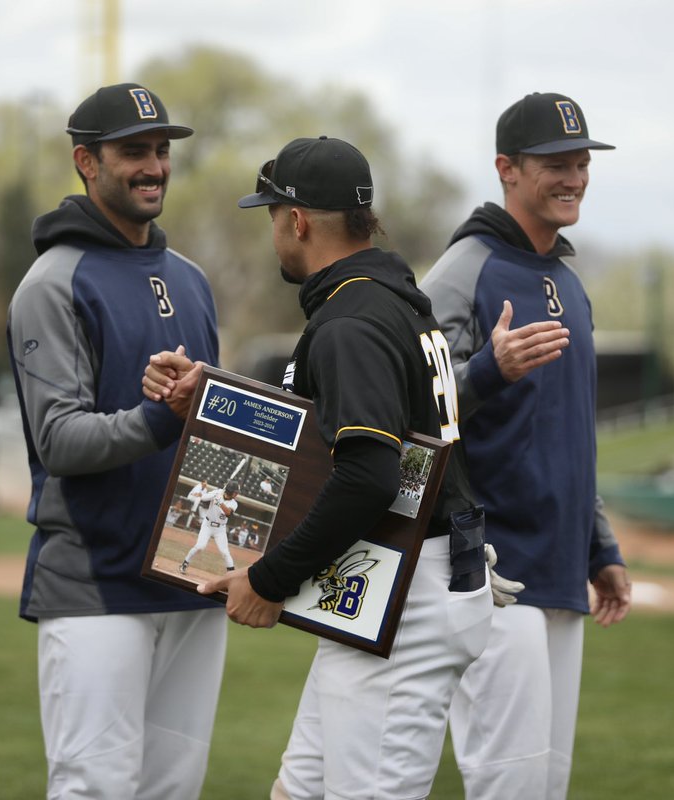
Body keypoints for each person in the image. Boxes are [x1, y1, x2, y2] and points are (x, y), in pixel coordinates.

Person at [184, 134, 493, 800]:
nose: (274, 234)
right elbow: (326, 443)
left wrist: (268, 579)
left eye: (271, 217)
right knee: (299, 790)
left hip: (405, 595)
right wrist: (204, 402)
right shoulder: (389, 299)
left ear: (297, 220)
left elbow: (368, 476)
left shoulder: (352, 318)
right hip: (404, 577)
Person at [6, 83, 223, 800]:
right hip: (95, 586)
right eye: (134, 151)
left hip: (188, 582)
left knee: (175, 790)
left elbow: (209, 435)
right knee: (95, 789)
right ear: (85, 162)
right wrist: (161, 415)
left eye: (161, 151)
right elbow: (60, 441)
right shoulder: (53, 281)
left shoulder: (190, 279)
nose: (154, 166)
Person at [419, 91, 632, 799]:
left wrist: (600, 547)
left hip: (561, 565)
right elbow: (410, 413)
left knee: (546, 783)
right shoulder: (462, 271)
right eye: (555, 164)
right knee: (506, 782)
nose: (573, 177)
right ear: (506, 169)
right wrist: (487, 370)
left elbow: (571, 431)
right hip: (490, 567)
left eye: (580, 162)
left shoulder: (569, 281)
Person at [178, 481, 239, 574]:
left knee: (225, 552)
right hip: (207, 525)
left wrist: (220, 502)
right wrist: (215, 495)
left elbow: (228, 513)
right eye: (235, 492)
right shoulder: (218, 493)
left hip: (220, 529)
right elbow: (203, 497)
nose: (237, 494)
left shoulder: (234, 503)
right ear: (230, 491)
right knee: (200, 546)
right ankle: (184, 563)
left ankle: (232, 575)